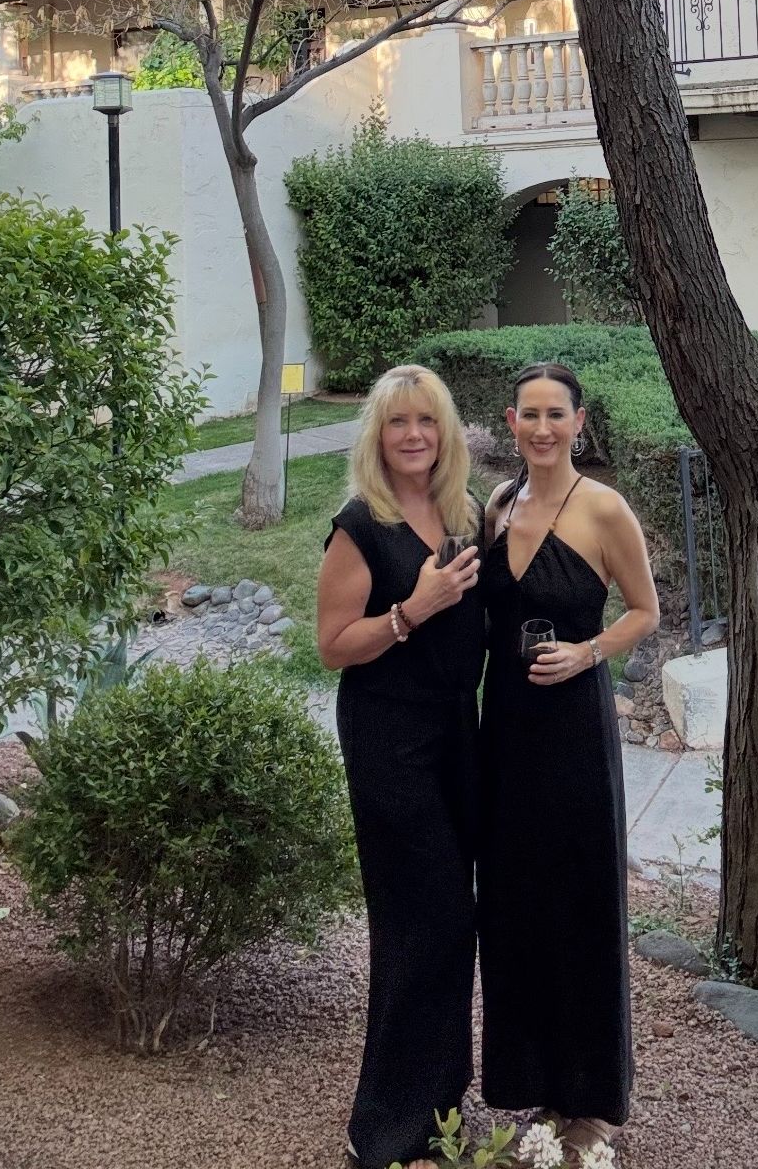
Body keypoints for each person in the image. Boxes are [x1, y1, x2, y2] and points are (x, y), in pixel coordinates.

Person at [478, 362, 660, 1163]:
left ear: (579, 423)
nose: (543, 428)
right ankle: (540, 1086)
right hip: (506, 727)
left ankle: (593, 1105)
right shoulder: (496, 506)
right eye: (530, 415)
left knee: (583, 903)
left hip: (575, 730)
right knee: (519, 904)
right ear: (511, 423)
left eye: (557, 414)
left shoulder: (603, 508)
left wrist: (588, 651)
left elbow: (646, 611)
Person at [316, 364, 485, 1169]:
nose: (413, 435)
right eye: (397, 423)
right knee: (427, 919)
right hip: (389, 738)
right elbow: (331, 646)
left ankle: (440, 1111)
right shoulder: (360, 526)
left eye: (425, 421)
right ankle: (383, 1127)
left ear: (444, 432)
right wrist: (412, 611)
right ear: (377, 437)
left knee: (453, 923)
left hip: (456, 733)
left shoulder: (464, 514)